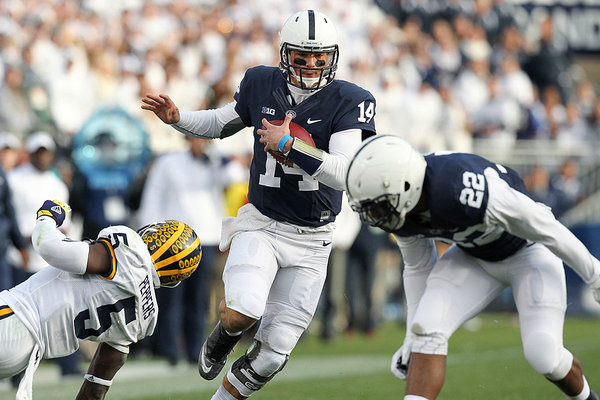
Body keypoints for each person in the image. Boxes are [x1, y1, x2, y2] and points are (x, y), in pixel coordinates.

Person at [141, 9, 376, 400]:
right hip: (263, 223)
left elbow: (345, 171)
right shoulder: (261, 82)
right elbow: (221, 123)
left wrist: (288, 146)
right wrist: (179, 119)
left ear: (333, 56)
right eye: (304, 55)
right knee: (243, 309)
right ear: (285, 53)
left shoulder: (350, 100)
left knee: (272, 355)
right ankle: (222, 336)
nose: (313, 64)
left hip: (313, 240)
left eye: (321, 57)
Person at [345, 135, 600, 400]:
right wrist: (411, 338)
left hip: (529, 251)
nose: (375, 215)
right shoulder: (402, 204)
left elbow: (540, 224)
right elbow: (418, 267)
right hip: (473, 256)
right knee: (426, 329)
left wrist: (594, 274)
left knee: (544, 355)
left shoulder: (458, 186)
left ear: (405, 184)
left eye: (379, 205)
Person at [0, 199, 202, 400]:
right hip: (22, 358)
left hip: (13, 318)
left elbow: (48, 245)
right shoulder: (145, 318)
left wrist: (47, 217)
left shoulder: (129, 249)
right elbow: (96, 389)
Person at [137, 136, 245, 365]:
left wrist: (216, 155)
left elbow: (237, 175)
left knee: (199, 299)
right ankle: (170, 351)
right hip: (172, 242)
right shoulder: (169, 162)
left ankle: (195, 349)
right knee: (171, 298)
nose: (201, 143)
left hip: (205, 238)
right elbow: (153, 197)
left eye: (205, 139)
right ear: (187, 139)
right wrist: (148, 237)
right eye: (197, 138)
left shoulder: (215, 162)